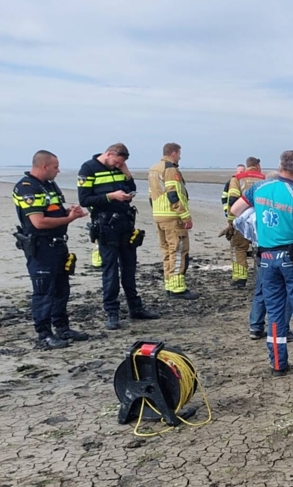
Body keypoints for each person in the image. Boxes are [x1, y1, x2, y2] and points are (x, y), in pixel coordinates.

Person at [231, 150, 293, 378]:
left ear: (279, 166)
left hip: (266, 259)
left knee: (275, 314)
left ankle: (278, 364)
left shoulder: (259, 188)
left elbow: (235, 210)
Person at [13, 150, 90, 349]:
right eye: (55, 167)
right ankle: (44, 333)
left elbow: (53, 212)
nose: (58, 171)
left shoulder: (49, 185)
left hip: (57, 244)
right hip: (41, 246)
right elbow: (39, 222)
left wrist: (69, 212)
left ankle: (62, 327)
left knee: (62, 288)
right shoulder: (27, 188)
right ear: (44, 166)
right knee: (44, 291)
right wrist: (70, 219)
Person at [78, 143, 160, 329]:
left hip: (125, 222)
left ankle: (135, 308)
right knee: (110, 270)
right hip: (105, 224)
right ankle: (112, 313)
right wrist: (111, 196)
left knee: (129, 267)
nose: (117, 165)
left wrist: (126, 173)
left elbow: (131, 188)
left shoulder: (120, 168)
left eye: (121, 163)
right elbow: (84, 200)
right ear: (108, 154)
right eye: (116, 162)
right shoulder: (88, 169)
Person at [149, 142, 197, 299]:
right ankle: (177, 288)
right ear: (174, 153)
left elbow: (151, 195)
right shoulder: (170, 169)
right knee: (178, 251)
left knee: (167, 251)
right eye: (180, 153)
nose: (181, 157)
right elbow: (173, 195)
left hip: (159, 215)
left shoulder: (154, 169)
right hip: (173, 217)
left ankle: (169, 285)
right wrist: (185, 216)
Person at [221, 157, 265, 288]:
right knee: (261, 249)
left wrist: (231, 221)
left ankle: (240, 278)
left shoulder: (237, 179)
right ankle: (262, 277)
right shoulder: (264, 179)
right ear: (257, 166)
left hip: (242, 220)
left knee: (238, 248)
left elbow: (232, 200)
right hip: (261, 220)